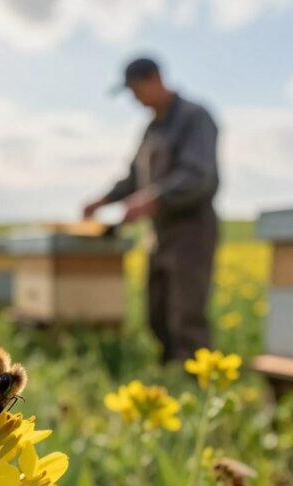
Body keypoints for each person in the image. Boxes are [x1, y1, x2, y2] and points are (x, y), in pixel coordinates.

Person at [82, 57, 220, 363]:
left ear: (155, 78)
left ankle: (196, 380)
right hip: (159, 234)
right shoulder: (151, 129)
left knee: (187, 315)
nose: (135, 99)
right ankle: (170, 373)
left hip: (191, 232)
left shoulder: (195, 117)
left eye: (136, 90)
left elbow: (198, 175)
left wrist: (152, 199)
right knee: (155, 312)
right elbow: (134, 178)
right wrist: (102, 200)